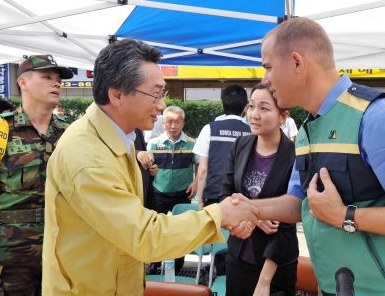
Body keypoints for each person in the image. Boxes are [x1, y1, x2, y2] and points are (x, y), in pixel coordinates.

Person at [229, 17, 385, 296]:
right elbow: (303, 203)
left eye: (268, 67)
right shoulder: (308, 129)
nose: (265, 80)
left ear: (297, 63)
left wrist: (346, 215)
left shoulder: (380, 118)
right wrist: (251, 208)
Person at [41, 39, 259, 295]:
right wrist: (219, 215)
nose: (162, 105)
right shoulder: (88, 156)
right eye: (155, 94)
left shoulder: (119, 138)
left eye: (162, 93)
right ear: (117, 95)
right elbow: (145, 236)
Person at [0, 55, 72, 295]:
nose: (56, 83)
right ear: (23, 83)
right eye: (47, 77)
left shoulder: (70, 134)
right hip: (13, 248)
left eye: (58, 80)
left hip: (64, 242)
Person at [220, 83, 298, 296]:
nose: (254, 115)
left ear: (283, 116)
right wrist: (255, 215)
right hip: (238, 256)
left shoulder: (295, 155)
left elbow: (289, 220)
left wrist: (264, 281)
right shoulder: (240, 146)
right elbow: (225, 194)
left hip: (276, 264)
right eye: (251, 106)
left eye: (264, 108)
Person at [150, 105, 199, 272]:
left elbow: (200, 164)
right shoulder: (154, 143)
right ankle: (153, 263)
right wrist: (150, 171)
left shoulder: (193, 143)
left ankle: (178, 267)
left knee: (181, 231)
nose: (173, 126)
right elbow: (147, 167)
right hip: (159, 193)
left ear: (183, 124)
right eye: (169, 121)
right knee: (155, 229)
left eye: (177, 122)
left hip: (182, 193)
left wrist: (197, 181)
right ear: (163, 123)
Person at [193, 85, 252, 209]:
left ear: (222, 105)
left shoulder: (209, 129)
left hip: (214, 194)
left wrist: (200, 200)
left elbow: (202, 169)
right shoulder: (252, 132)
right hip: (243, 197)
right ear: (245, 107)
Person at [134, 128, 158, 210]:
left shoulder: (138, 128)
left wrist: (151, 167)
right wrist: (136, 153)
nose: (157, 115)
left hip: (146, 191)